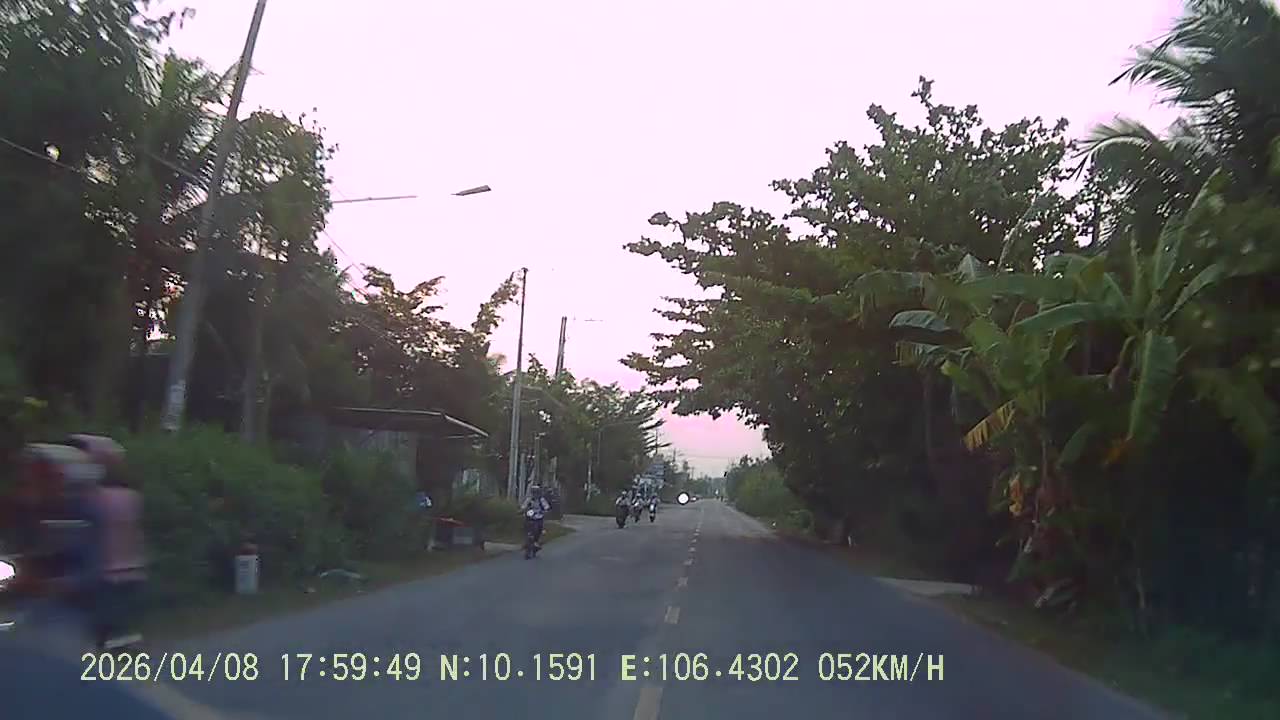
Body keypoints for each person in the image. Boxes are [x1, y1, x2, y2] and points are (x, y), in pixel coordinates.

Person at [66, 435, 147, 650]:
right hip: (130, 568)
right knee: (118, 627)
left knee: (102, 628)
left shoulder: (97, 498)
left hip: (104, 572)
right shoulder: (131, 496)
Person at [521, 484, 552, 549]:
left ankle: (536, 541)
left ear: (539, 492)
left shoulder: (541, 499)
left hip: (539, 516)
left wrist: (546, 510)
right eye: (534, 492)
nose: (535, 494)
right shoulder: (529, 498)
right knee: (525, 526)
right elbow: (524, 505)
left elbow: (546, 506)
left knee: (539, 529)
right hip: (530, 516)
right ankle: (526, 540)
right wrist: (522, 509)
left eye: (536, 492)